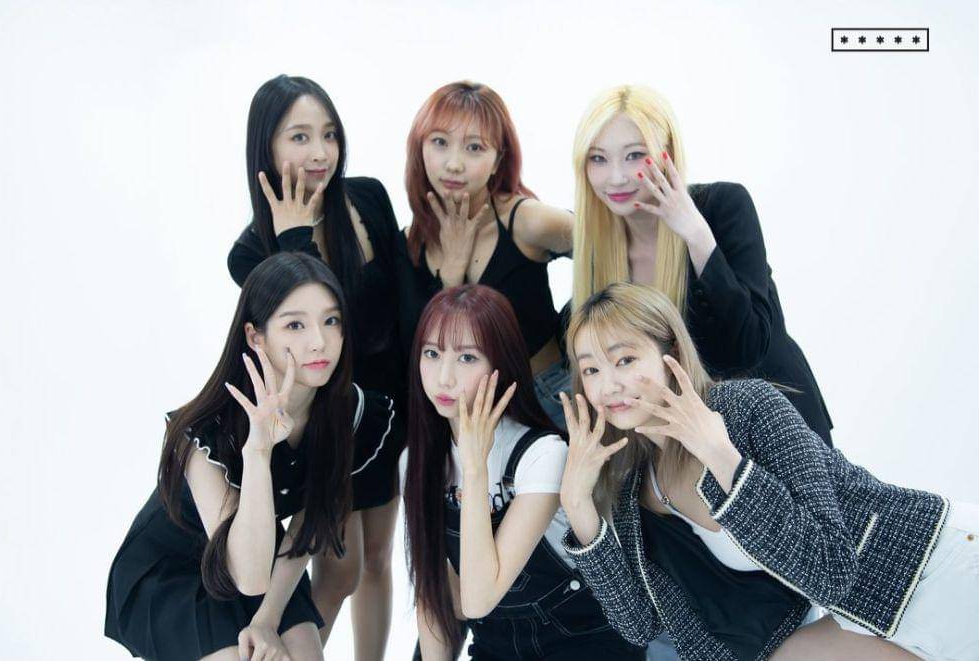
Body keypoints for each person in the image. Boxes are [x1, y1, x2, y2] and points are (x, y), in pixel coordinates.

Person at [559, 281, 977, 660]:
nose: (608, 386)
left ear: (672, 355)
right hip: (867, 625)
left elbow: (829, 567)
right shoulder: (635, 492)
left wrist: (722, 457)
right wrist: (577, 505)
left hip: (937, 569)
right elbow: (639, 625)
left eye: (625, 360)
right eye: (591, 369)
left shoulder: (746, 408)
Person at [105, 253, 401, 661]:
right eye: (295, 325)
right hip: (173, 568)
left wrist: (267, 618)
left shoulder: (348, 413)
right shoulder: (204, 432)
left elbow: (306, 524)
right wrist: (258, 452)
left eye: (331, 320)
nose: (319, 341)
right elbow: (246, 575)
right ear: (255, 336)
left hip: (261, 547)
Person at [226, 75, 404, 658]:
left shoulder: (368, 198)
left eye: (328, 134)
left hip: (389, 411)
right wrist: (294, 239)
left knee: (377, 560)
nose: (320, 152)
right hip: (331, 414)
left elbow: (402, 301)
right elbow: (318, 335)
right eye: (299, 137)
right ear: (267, 148)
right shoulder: (252, 252)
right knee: (339, 570)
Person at [569, 84, 833, 446]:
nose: (616, 177)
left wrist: (695, 235)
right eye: (598, 159)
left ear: (666, 153)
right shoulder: (599, 249)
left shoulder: (723, 206)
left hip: (778, 424)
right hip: (689, 442)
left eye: (634, 156)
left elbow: (747, 346)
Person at [402, 285, 645, 660]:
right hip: (495, 644)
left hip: (580, 640)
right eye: (431, 354)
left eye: (467, 358)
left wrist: (475, 469)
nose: (444, 377)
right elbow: (435, 594)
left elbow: (477, 599)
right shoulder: (417, 461)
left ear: (500, 365)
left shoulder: (542, 455)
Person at [399, 81, 574, 428]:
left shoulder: (526, 221)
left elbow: (613, 247)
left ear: (498, 160)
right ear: (420, 148)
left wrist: (588, 338)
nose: (454, 164)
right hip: (466, 418)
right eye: (440, 142)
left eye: (474, 147)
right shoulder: (409, 242)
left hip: (546, 399)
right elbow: (422, 349)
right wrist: (452, 273)